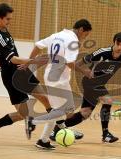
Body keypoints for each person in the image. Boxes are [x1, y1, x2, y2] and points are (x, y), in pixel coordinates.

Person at [49, 32, 121, 143]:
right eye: (118, 44)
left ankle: (57, 129)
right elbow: (81, 61)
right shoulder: (102, 52)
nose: (120, 47)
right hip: (90, 82)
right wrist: (75, 70)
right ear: (114, 42)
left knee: (85, 113)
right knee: (108, 100)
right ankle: (105, 134)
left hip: (99, 85)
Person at [0, 3, 51, 144]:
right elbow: (13, 59)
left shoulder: (3, 29)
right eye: (8, 19)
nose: (9, 21)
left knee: (44, 96)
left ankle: (58, 126)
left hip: (21, 70)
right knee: (24, 114)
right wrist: (34, 61)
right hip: (11, 76)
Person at [24, 19, 92, 149]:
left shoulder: (57, 35)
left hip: (49, 76)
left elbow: (38, 45)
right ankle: (34, 121)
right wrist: (85, 72)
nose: (85, 38)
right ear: (81, 29)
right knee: (68, 110)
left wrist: (29, 61)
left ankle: (43, 140)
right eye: (86, 35)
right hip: (59, 80)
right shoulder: (73, 41)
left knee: (57, 111)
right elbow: (70, 63)